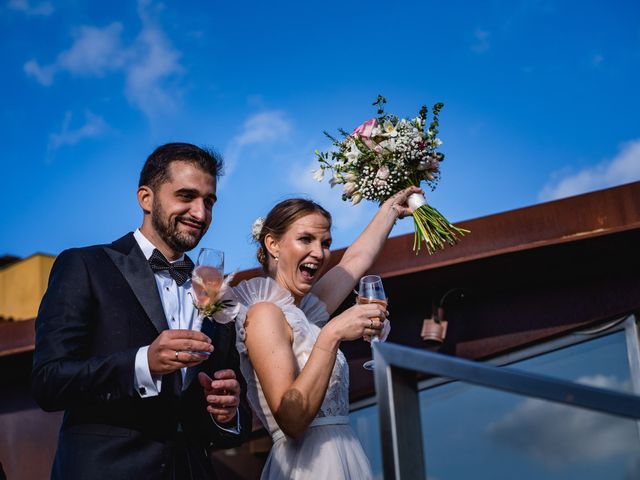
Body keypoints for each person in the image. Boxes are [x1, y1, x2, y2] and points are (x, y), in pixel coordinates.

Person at [31, 143, 252, 480]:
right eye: (186, 196)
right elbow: (49, 381)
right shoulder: (85, 265)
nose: (201, 213)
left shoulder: (215, 291)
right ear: (146, 198)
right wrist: (142, 363)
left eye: (209, 201)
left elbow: (232, 416)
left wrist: (228, 412)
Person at [230, 186, 421, 479]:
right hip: (308, 467)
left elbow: (356, 260)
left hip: (347, 457)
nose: (319, 253)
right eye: (306, 239)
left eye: (326, 242)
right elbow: (291, 420)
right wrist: (332, 334)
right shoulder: (263, 315)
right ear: (273, 244)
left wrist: (391, 209)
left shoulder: (306, 312)